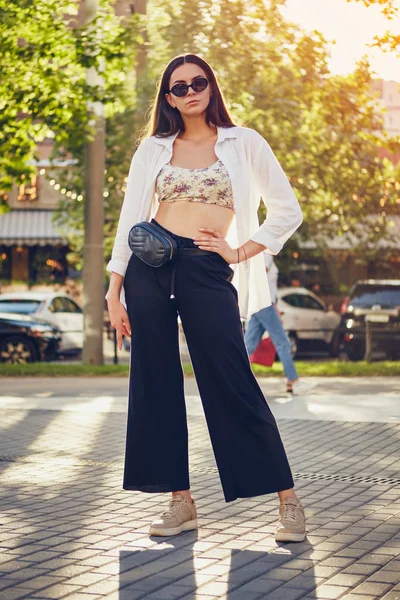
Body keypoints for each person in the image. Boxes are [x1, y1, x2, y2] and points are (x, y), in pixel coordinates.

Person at [106, 54, 306, 542]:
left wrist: (240, 250)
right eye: (179, 87)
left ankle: (288, 501)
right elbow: (131, 216)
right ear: (168, 97)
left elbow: (287, 210)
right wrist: (113, 290)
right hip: (149, 267)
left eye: (199, 82)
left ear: (212, 86)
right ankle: (180, 502)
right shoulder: (153, 148)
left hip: (206, 266)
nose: (190, 91)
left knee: (230, 377)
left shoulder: (244, 142)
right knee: (155, 381)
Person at [245, 254, 316, 395]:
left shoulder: (260, 252)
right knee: (283, 342)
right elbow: (260, 279)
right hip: (264, 304)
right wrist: (271, 306)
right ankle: (294, 381)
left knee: (248, 345)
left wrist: (273, 305)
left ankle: (229, 376)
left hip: (260, 303)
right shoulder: (265, 252)